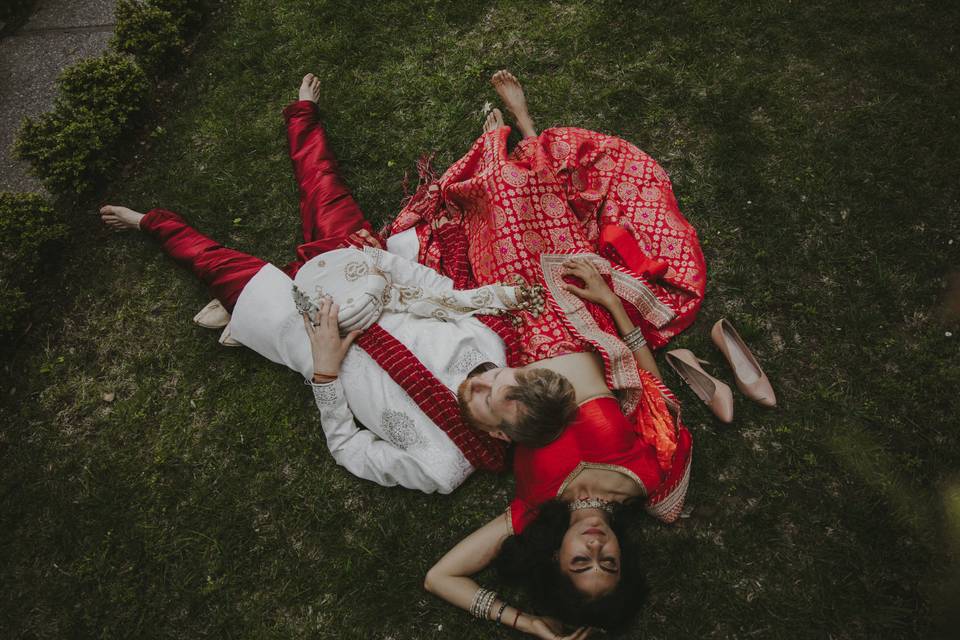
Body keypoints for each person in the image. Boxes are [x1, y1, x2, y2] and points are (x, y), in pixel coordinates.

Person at [99, 73, 675, 494]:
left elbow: (349, 448)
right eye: (494, 379)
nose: (476, 384)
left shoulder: (441, 466)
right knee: (322, 186)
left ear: (501, 439)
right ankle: (301, 115)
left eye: (486, 400)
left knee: (213, 261)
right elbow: (436, 291)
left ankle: (145, 222)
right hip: (359, 275)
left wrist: (325, 371)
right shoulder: (491, 351)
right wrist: (379, 269)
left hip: (304, 334)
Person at [421, 72, 698, 636]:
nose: (595, 547)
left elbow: (441, 577)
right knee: (545, 218)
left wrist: (529, 624)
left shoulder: (534, 509)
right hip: (578, 321)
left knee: (496, 197)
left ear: (555, 558)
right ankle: (527, 130)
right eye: (609, 562)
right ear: (626, 557)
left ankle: (507, 153)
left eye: (581, 562)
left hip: (512, 339)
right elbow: (649, 387)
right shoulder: (649, 479)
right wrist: (612, 305)